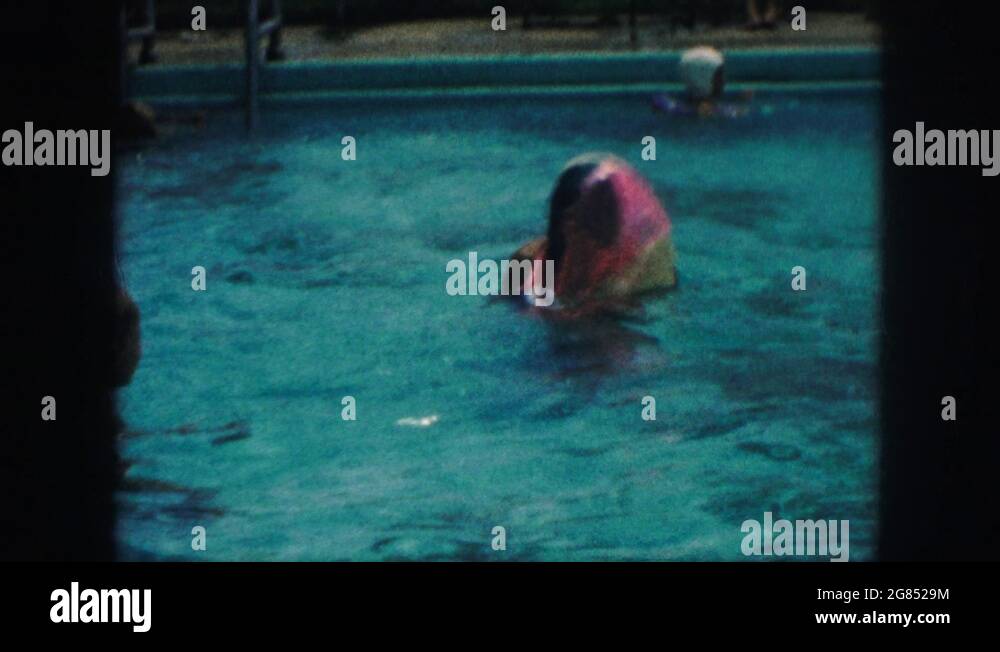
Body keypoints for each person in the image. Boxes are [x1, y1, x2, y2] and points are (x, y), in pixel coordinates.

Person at [508, 153, 676, 317]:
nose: (610, 222)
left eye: (611, 212)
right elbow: (507, 307)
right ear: (568, 220)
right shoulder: (526, 259)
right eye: (599, 213)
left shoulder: (637, 270)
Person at [652, 46, 751, 118]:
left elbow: (660, 100)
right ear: (702, 78)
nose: (723, 81)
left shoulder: (668, 106)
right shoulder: (727, 113)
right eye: (718, 76)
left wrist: (737, 99)